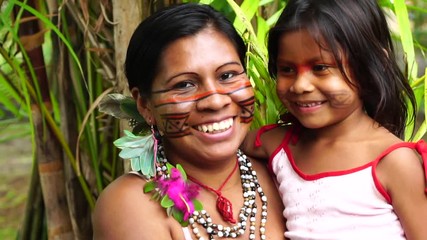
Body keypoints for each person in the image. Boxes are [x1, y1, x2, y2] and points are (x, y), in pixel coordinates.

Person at [92, 3, 286, 239]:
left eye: (227, 75)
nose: (215, 101)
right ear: (145, 105)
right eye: (184, 85)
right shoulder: (131, 203)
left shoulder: (282, 172)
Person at [241, 0, 427, 239]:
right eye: (287, 69)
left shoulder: (394, 162)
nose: (300, 85)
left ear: (373, 65)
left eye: (320, 67)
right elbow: (219, 150)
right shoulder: (276, 145)